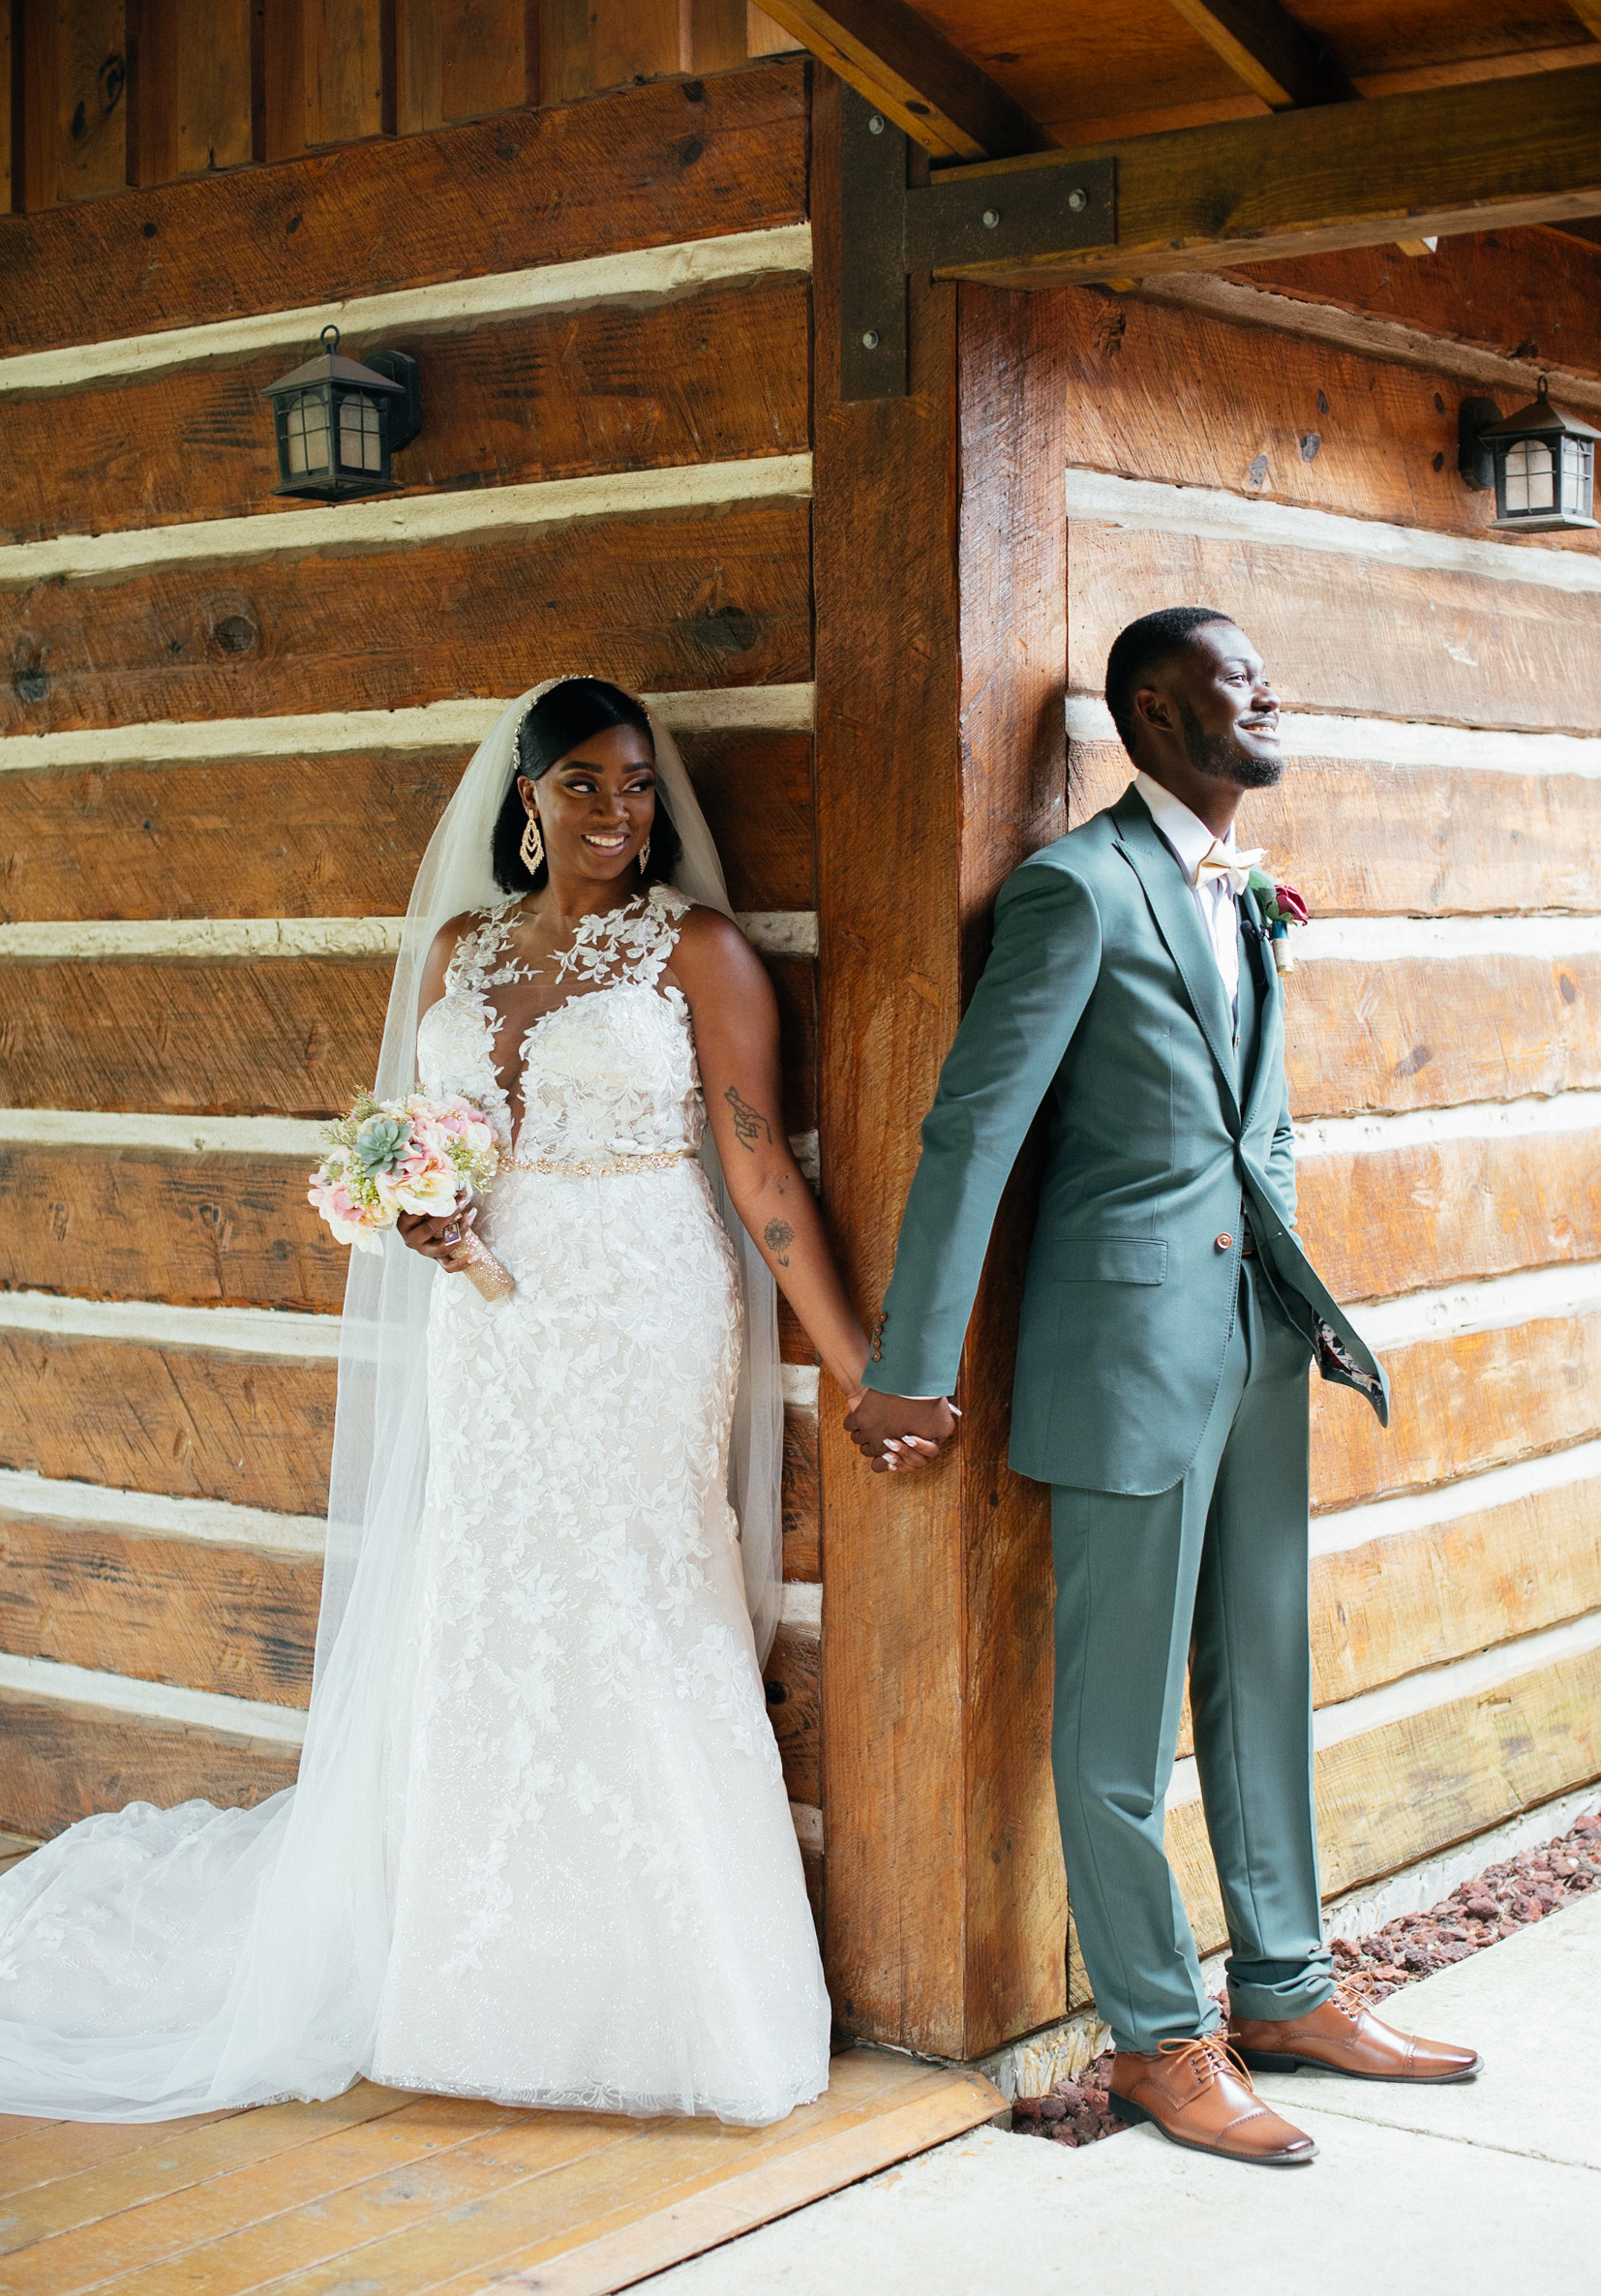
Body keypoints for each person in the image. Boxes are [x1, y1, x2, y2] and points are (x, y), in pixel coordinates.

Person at [0, 677, 867, 2130]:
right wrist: (425, 1219)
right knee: (486, 1598)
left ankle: (672, 1987)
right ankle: (472, 1973)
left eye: (638, 785)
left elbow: (761, 1167)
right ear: (521, 796)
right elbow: (440, 1144)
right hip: (487, 1319)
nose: (615, 812)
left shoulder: (695, 951)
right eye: (582, 783)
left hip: (638, 1302)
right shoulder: (462, 952)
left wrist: (863, 1369)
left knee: (634, 1596)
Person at [845, 610, 1480, 2167]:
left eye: (1265, 671)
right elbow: (970, 1134)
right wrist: (908, 1371)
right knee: (1116, 1725)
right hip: (1121, 1353)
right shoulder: (1073, 889)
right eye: (1233, 676)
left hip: (1257, 1341)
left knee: (1260, 1675)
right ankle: (1153, 2036)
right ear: (1152, 709)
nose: (1267, 691)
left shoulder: (1243, 887)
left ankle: (1284, 1986)